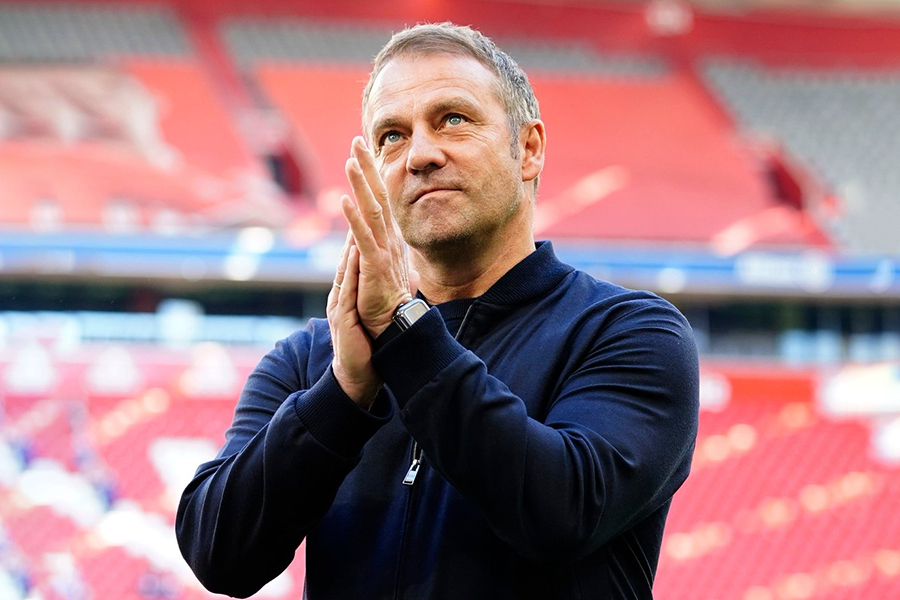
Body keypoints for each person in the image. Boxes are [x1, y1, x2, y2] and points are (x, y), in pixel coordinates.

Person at [176, 22, 699, 599]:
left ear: (527, 149)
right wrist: (345, 393)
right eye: (392, 136)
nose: (421, 155)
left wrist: (404, 333)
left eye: (453, 119)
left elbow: (563, 512)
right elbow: (218, 554)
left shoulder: (629, 332)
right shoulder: (314, 358)